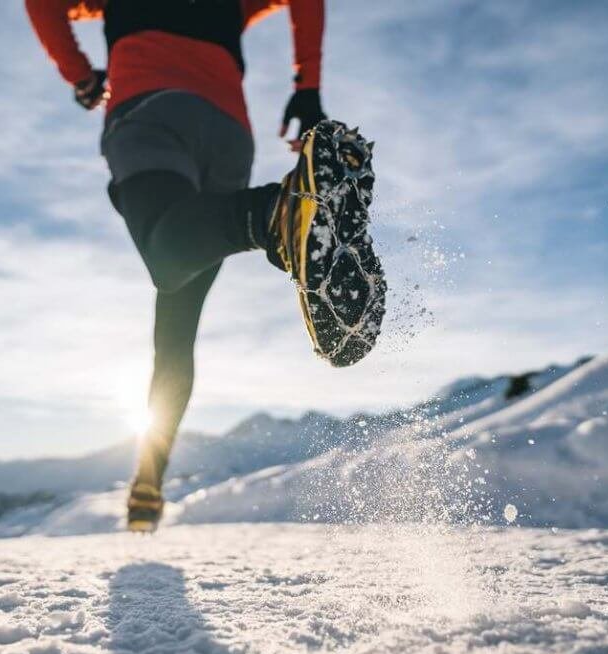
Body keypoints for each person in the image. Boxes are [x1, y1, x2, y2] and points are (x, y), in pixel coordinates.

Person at [25, 0, 385, 532]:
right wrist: (307, 87)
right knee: (176, 319)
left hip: (149, 110)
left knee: (166, 257)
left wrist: (79, 76)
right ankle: (148, 481)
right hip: (228, 134)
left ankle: (274, 217)